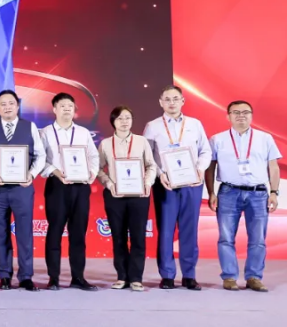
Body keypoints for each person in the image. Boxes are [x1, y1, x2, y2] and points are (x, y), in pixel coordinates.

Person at [206, 100, 281, 292]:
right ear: (228, 116)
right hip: (228, 192)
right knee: (226, 237)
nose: (241, 116)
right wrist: (211, 192)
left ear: (252, 115)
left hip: (258, 194)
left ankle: (254, 277)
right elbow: (210, 168)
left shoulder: (265, 138)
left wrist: (274, 192)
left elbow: (273, 167)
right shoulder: (217, 139)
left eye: (245, 112)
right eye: (236, 112)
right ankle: (229, 276)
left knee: (258, 239)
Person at [142, 84, 211, 290]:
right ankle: (167, 275)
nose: (171, 103)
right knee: (166, 229)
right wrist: (160, 174)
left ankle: (189, 275)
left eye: (175, 99)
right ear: (160, 102)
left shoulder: (195, 124)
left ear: (183, 101)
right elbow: (148, 156)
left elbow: (205, 151)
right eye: (167, 99)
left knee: (189, 229)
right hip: (166, 184)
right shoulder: (152, 126)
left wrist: (200, 169)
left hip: (192, 183)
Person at [0, 90, 45, 291]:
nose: (7, 107)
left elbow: (40, 155)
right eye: (3, 104)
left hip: (22, 188)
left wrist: (32, 174)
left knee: (25, 232)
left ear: (17, 106)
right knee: (0, 232)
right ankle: (4, 275)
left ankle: (26, 276)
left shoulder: (30, 126)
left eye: (11, 103)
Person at [40, 92, 99, 291]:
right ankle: (53, 278)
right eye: (63, 105)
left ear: (74, 110)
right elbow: (40, 160)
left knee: (78, 233)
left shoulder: (83, 132)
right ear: (54, 109)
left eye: (70, 106)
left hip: (80, 186)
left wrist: (92, 173)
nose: (67, 109)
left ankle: (78, 277)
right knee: (55, 231)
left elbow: (93, 156)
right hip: (57, 186)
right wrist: (55, 171)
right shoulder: (45, 132)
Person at [96, 106, 156, 292]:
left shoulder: (141, 141)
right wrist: (109, 183)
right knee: (118, 237)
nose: (124, 122)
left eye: (128, 118)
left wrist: (147, 183)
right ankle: (122, 276)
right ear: (113, 121)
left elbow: (151, 165)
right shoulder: (106, 144)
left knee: (138, 237)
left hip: (139, 195)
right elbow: (98, 168)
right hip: (115, 196)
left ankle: (136, 278)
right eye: (120, 118)